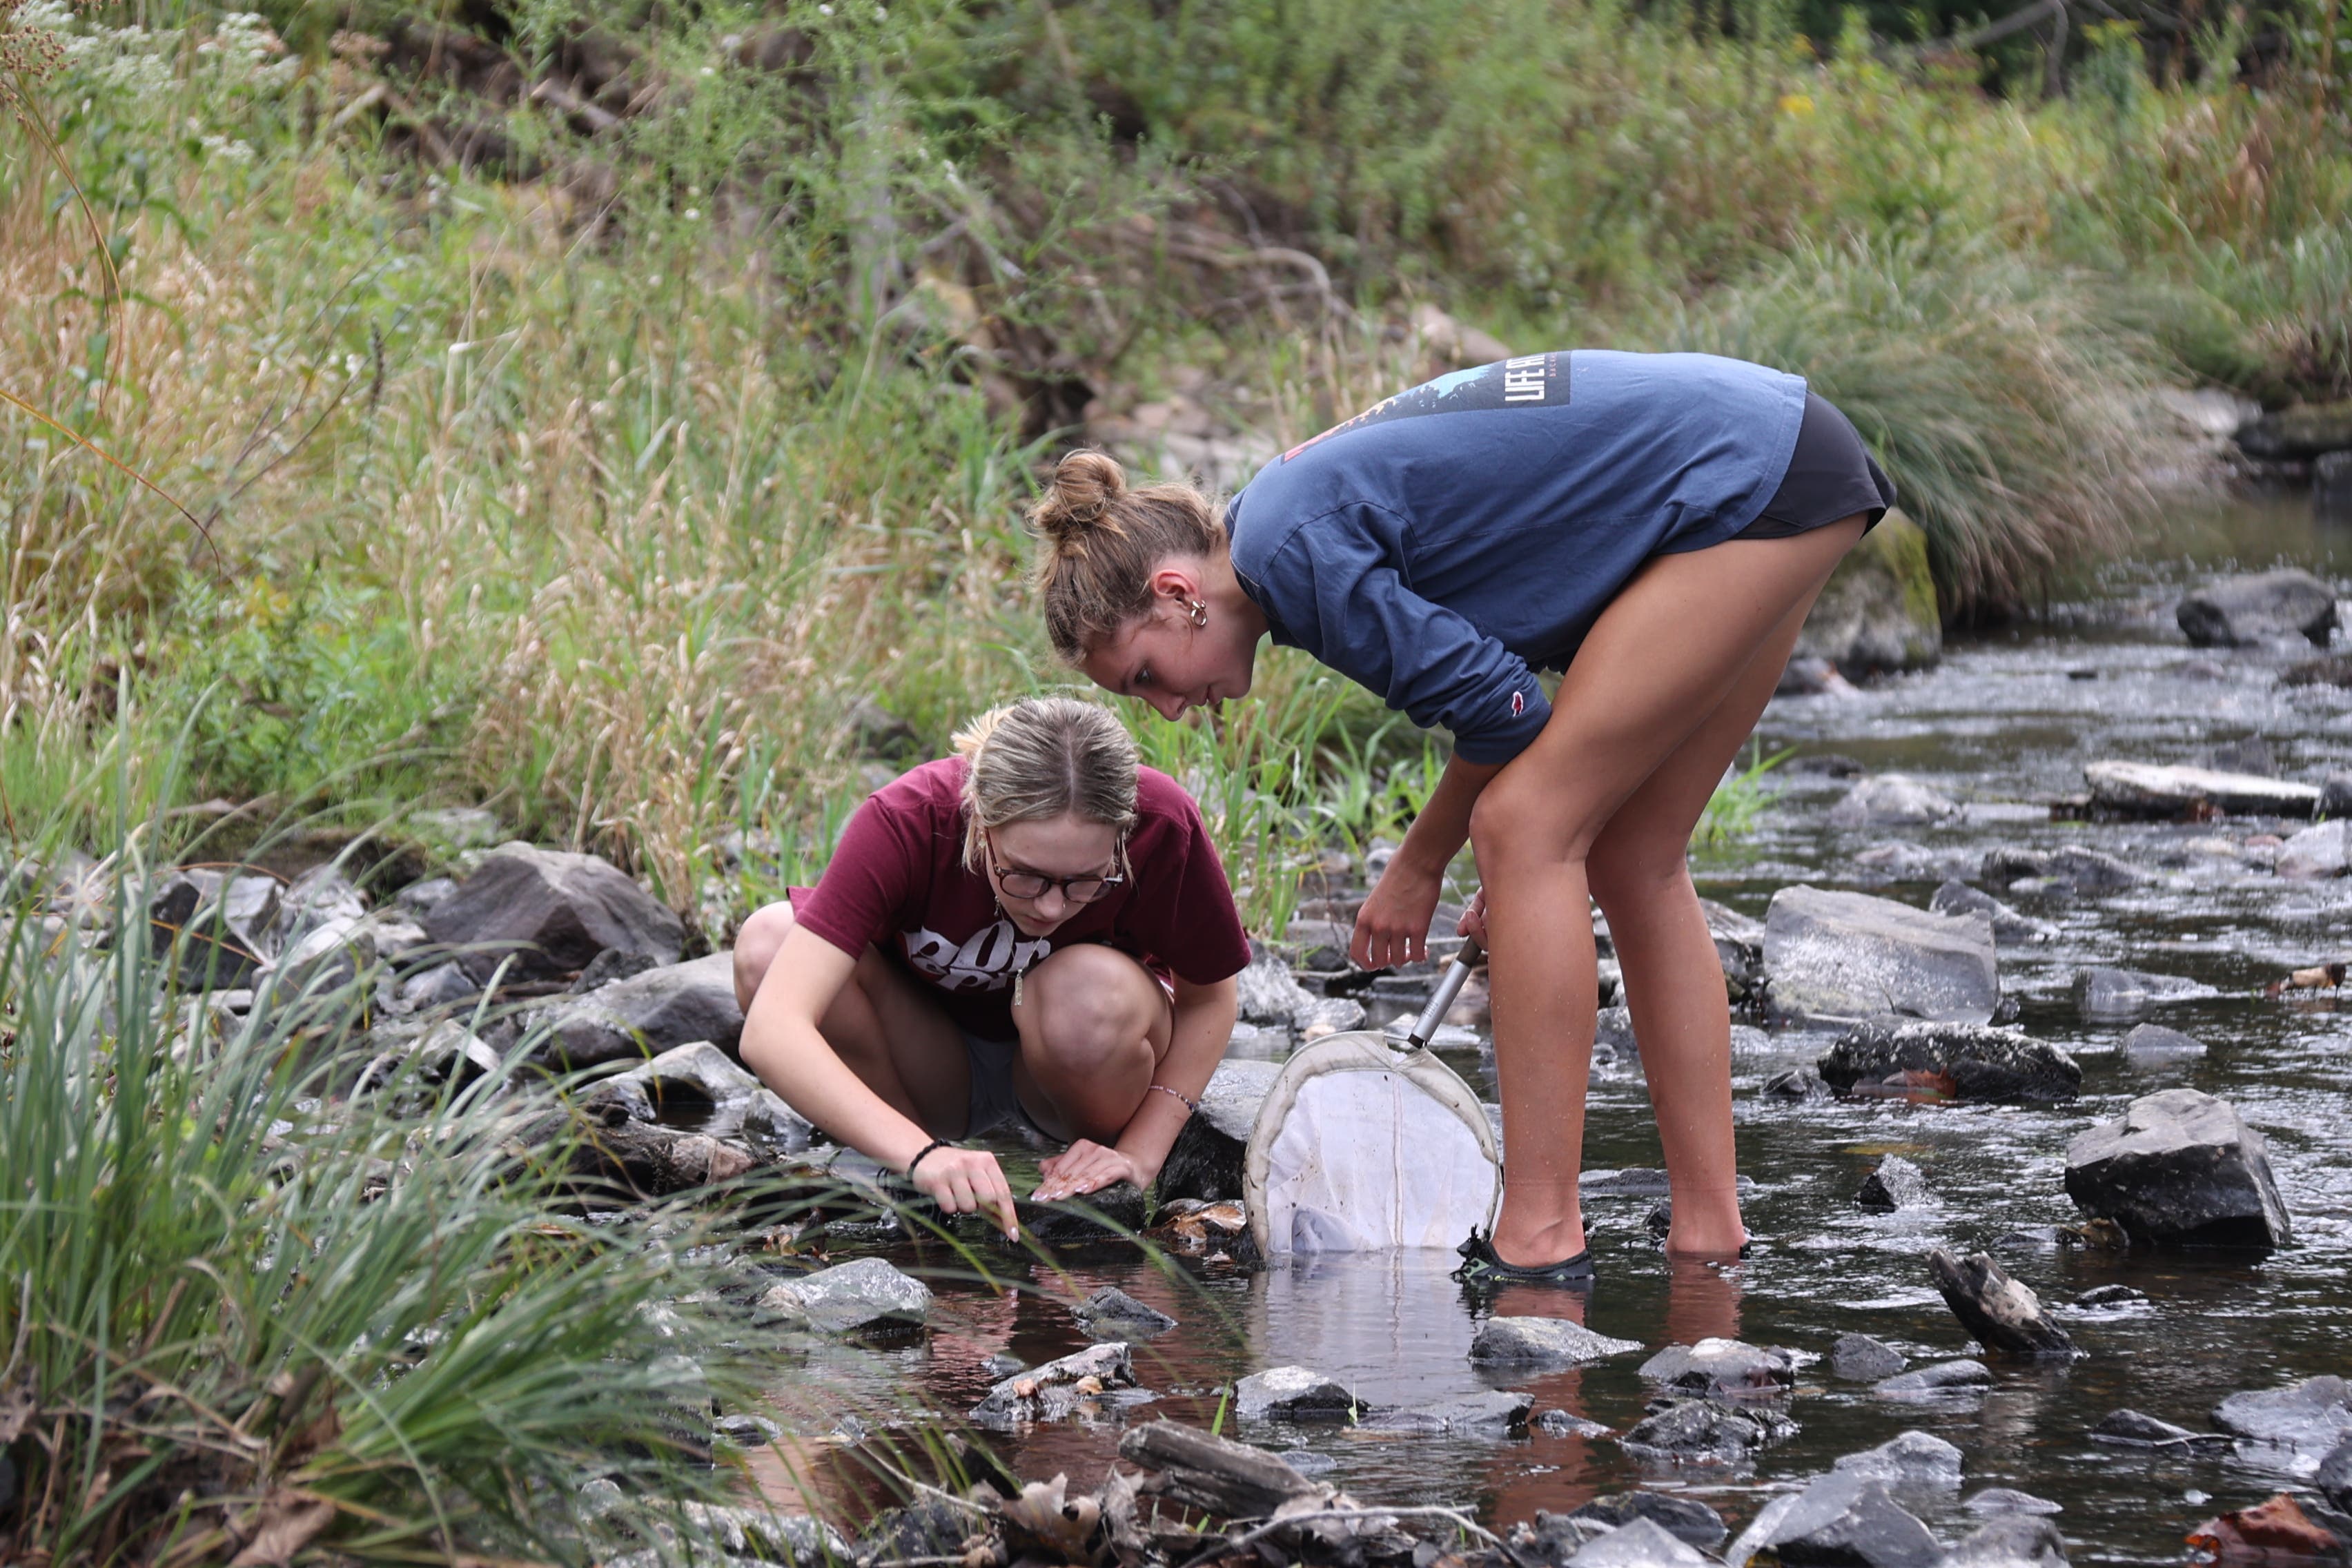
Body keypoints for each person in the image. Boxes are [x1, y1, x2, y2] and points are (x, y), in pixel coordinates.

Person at [1031, 349, 1892, 1280]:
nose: (1164, 706)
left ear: (1177, 596)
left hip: (1741, 479)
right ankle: (1708, 1233)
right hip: (1786, 455)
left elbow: (1507, 712)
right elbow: (1520, 708)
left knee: (1525, 827)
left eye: (1145, 677)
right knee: (1631, 853)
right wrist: (1523, 895)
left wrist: (1421, 864)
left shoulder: (1288, 551)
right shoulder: (1279, 530)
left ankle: (1539, 1236)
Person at [733, 696, 1250, 1239]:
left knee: (1082, 990)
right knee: (770, 945)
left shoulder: (1162, 822)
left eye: (1085, 881)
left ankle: (1091, 1161)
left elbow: (1210, 998)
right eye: (1025, 875)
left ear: (1123, 834)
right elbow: (773, 1029)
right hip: (933, 1067)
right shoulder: (909, 819)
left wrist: (1141, 1156)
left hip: (1087, 1071)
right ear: (980, 820)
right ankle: (906, 1174)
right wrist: (922, 1156)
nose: (1051, 907)